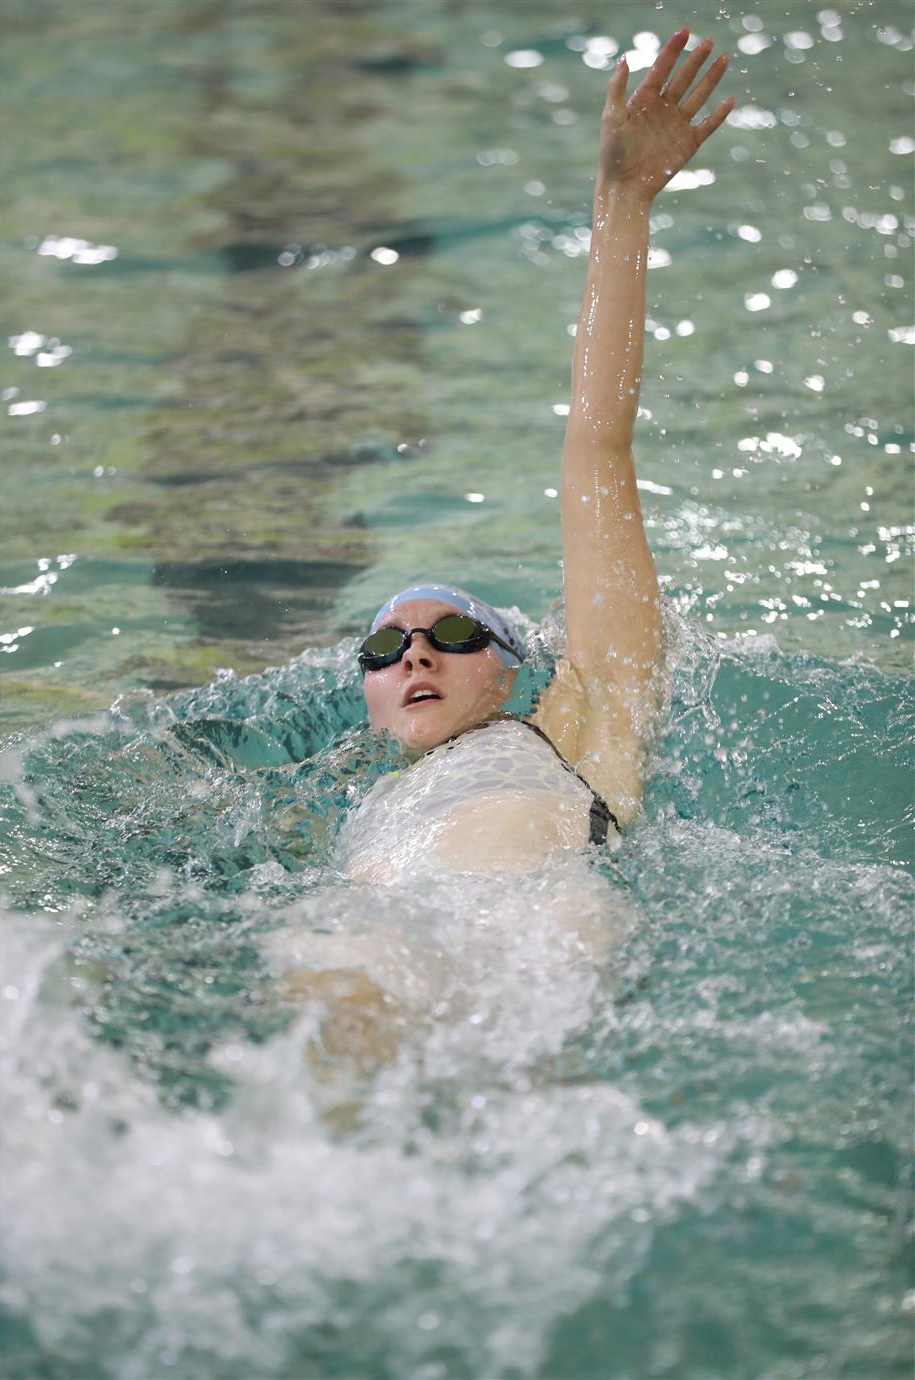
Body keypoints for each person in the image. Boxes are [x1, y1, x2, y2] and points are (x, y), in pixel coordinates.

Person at [280, 29, 734, 1066]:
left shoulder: (571, 728)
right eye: (383, 651)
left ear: (515, 670)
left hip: (536, 944)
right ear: (363, 693)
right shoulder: (357, 820)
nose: (415, 656)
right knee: (326, 967)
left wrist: (623, 207)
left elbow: (594, 452)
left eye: (448, 632)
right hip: (379, 951)